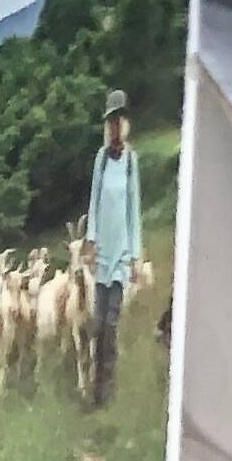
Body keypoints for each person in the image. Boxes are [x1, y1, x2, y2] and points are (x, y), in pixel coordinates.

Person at [83, 92, 140, 407]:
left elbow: (134, 208)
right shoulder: (101, 160)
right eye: (110, 121)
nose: (115, 126)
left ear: (125, 123)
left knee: (112, 323)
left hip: (120, 257)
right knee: (98, 323)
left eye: (119, 120)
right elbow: (94, 201)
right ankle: (96, 384)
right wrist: (91, 242)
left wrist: (134, 256)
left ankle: (107, 387)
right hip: (102, 254)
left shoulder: (131, 161)